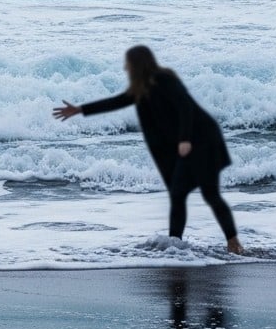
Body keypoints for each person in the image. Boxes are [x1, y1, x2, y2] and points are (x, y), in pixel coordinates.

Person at [52, 45, 244, 254]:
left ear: (138, 64)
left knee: (206, 194)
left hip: (202, 140)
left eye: (128, 63)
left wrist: (185, 139)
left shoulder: (165, 80)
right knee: (180, 194)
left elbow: (185, 107)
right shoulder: (140, 89)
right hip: (189, 142)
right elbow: (117, 101)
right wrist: (80, 109)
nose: (125, 67)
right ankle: (177, 245)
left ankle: (230, 243)